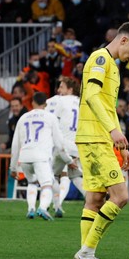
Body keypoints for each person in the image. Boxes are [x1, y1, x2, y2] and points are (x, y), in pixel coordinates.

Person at [73, 21, 129, 259]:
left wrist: (120, 143)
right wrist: (113, 132)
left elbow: (107, 106)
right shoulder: (101, 59)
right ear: (123, 40)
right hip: (95, 137)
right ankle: (87, 254)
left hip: (99, 137)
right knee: (120, 197)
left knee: (94, 200)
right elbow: (92, 95)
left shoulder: (112, 66)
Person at [11, 92, 73, 220]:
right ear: (46, 104)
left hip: (25, 157)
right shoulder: (50, 117)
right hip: (41, 157)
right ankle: (43, 208)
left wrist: (13, 168)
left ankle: (31, 209)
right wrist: (68, 159)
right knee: (47, 184)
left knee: (32, 182)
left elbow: (15, 145)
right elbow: (59, 143)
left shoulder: (23, 118)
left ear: (32, 102)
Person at [45, 76, 83, 217]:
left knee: (51, 175)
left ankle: (50, 205)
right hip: (77, 145)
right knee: (75, 175)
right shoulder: (81, 102)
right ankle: (94, 202)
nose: (58, 89)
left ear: (70, 89)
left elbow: (53, 122)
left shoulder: (59, 101)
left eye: (61, 87)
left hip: (62, 144)